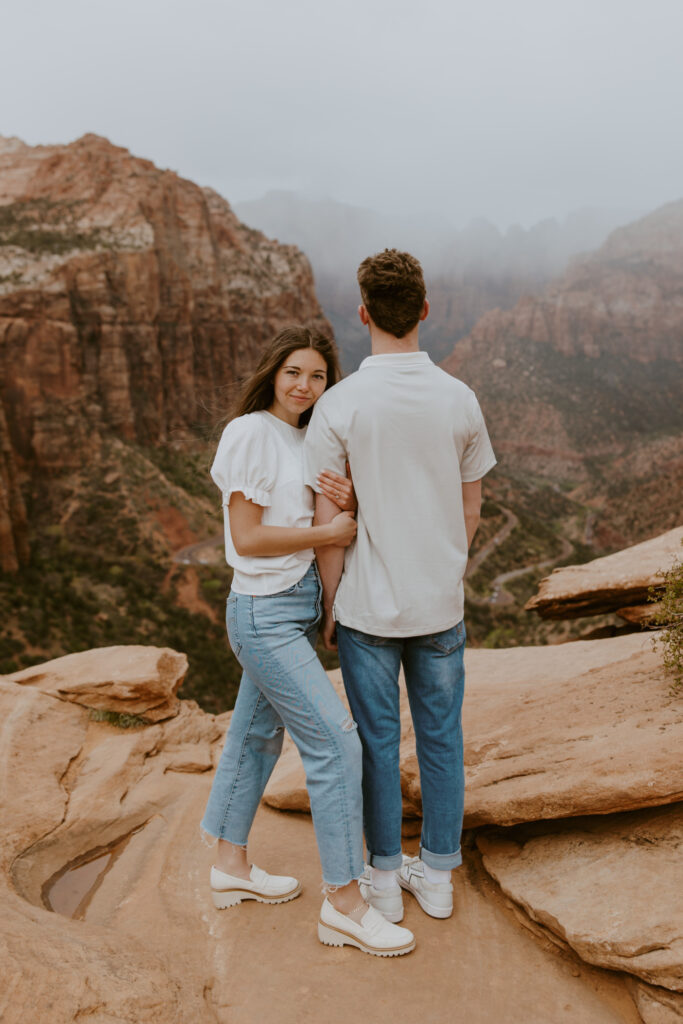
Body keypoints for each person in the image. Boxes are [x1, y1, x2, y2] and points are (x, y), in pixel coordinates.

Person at [200, 324, 415, 957]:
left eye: (317, 375)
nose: (304, 385)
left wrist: (339, 506)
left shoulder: (308, 437)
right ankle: (345, 905)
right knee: (336, 746)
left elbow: (320, 517)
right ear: (272, 372)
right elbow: (247, 539)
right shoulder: (248, 433)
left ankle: (228, 866)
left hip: (294, 609)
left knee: (255, 736)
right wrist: (327, 536)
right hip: (263, 613)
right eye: (294, 371)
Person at [304, 250, 496, 924]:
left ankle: (384, 880)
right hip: (438, 606)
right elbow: (471, 510)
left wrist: (330, 606)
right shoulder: (458, 398)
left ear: (361, 314)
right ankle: (438, 875)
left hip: (366, 611)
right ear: (423, 309)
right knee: (441, 740)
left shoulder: (339, 404)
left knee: (377, 744)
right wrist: (448, 571)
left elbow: (328, 519)